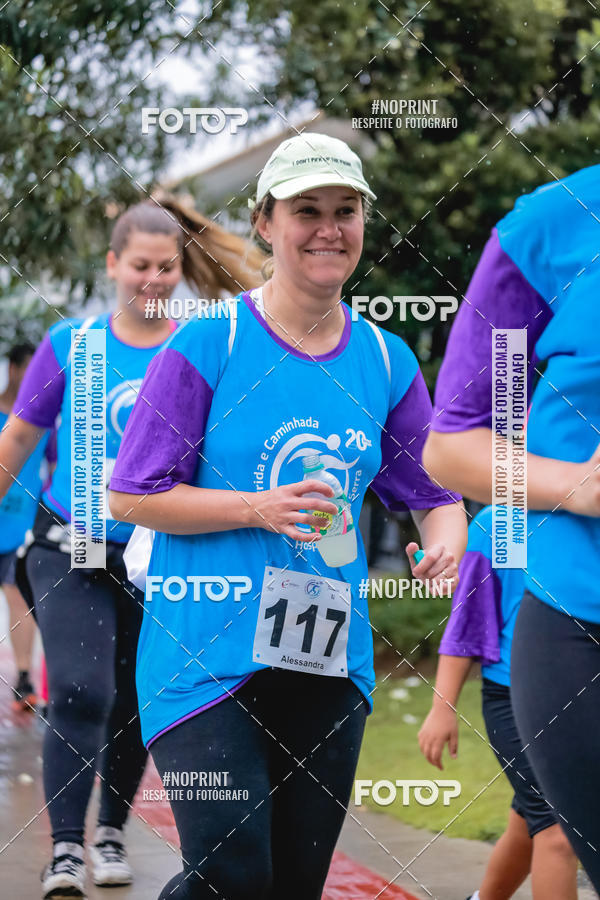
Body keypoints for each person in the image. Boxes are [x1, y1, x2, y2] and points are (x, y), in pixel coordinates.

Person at [109, 131, 468, 900]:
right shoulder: (212, 342)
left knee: (295, 884)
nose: (328, 228)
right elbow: (130, 494)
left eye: (346, 210)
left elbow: (435, 493)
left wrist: (443, 546)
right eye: (307, 210)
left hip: (328, 659)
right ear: (267, 222)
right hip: (202, 656)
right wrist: (258, 506)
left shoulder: (384, 359)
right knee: (233, 875)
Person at [0, 197, 264, 899]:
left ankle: (111, 831)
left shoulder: (200, 344)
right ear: (113, 265)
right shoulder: (69, 345)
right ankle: (64, 850)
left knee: (133, 702)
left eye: (166, 266)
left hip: (159, 554)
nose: (152, 279)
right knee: (84, 689)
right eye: (139, 265)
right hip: (72, 546)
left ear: (180, 270)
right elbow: (17, 444)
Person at [422, 164, 600, 890]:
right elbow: (467, 621)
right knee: (549, 833)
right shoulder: (550, 230)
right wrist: (440, 707)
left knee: (541, 831)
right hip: (549, 656)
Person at [418, 505, 578, 900]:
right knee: (558, 831)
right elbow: (469, 620)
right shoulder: (503, 522)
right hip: (516, 698)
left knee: (530, 820)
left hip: (582, 698)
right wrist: (443, 707)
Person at [0, 342, 51, 711]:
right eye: (31, 369)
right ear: (15, 369)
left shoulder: (45, 421)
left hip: (20, 528)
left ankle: (22, 678)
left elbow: (55, 468)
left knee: (18, 598)